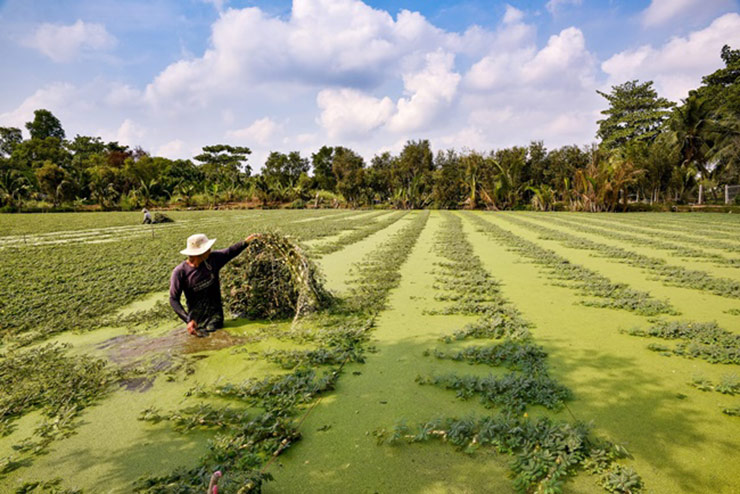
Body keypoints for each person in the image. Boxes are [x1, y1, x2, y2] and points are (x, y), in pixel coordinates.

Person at [170, 233, 259, 336]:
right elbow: (173, 299)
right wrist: (188, 320)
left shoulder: (213, 260)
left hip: (216, 318)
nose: (210, 249)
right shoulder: (180, 272)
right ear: (199, 253)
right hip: (197, 322)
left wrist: (246, 242)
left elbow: (230, 252)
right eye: (207, 248)